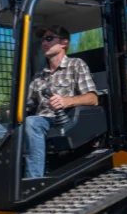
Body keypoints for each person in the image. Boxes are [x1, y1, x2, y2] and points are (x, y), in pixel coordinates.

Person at [23, 25, 99, 178]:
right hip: (39, 120)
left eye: (49, 38)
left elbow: (93, 98)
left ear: (64, 43)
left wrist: (66, 101)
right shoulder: (39, 75)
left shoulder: (76, 65)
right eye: (43, 39)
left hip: (60, 121)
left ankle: (33, 180)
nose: (44, 43)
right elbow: (26, 104)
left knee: (32, 123)